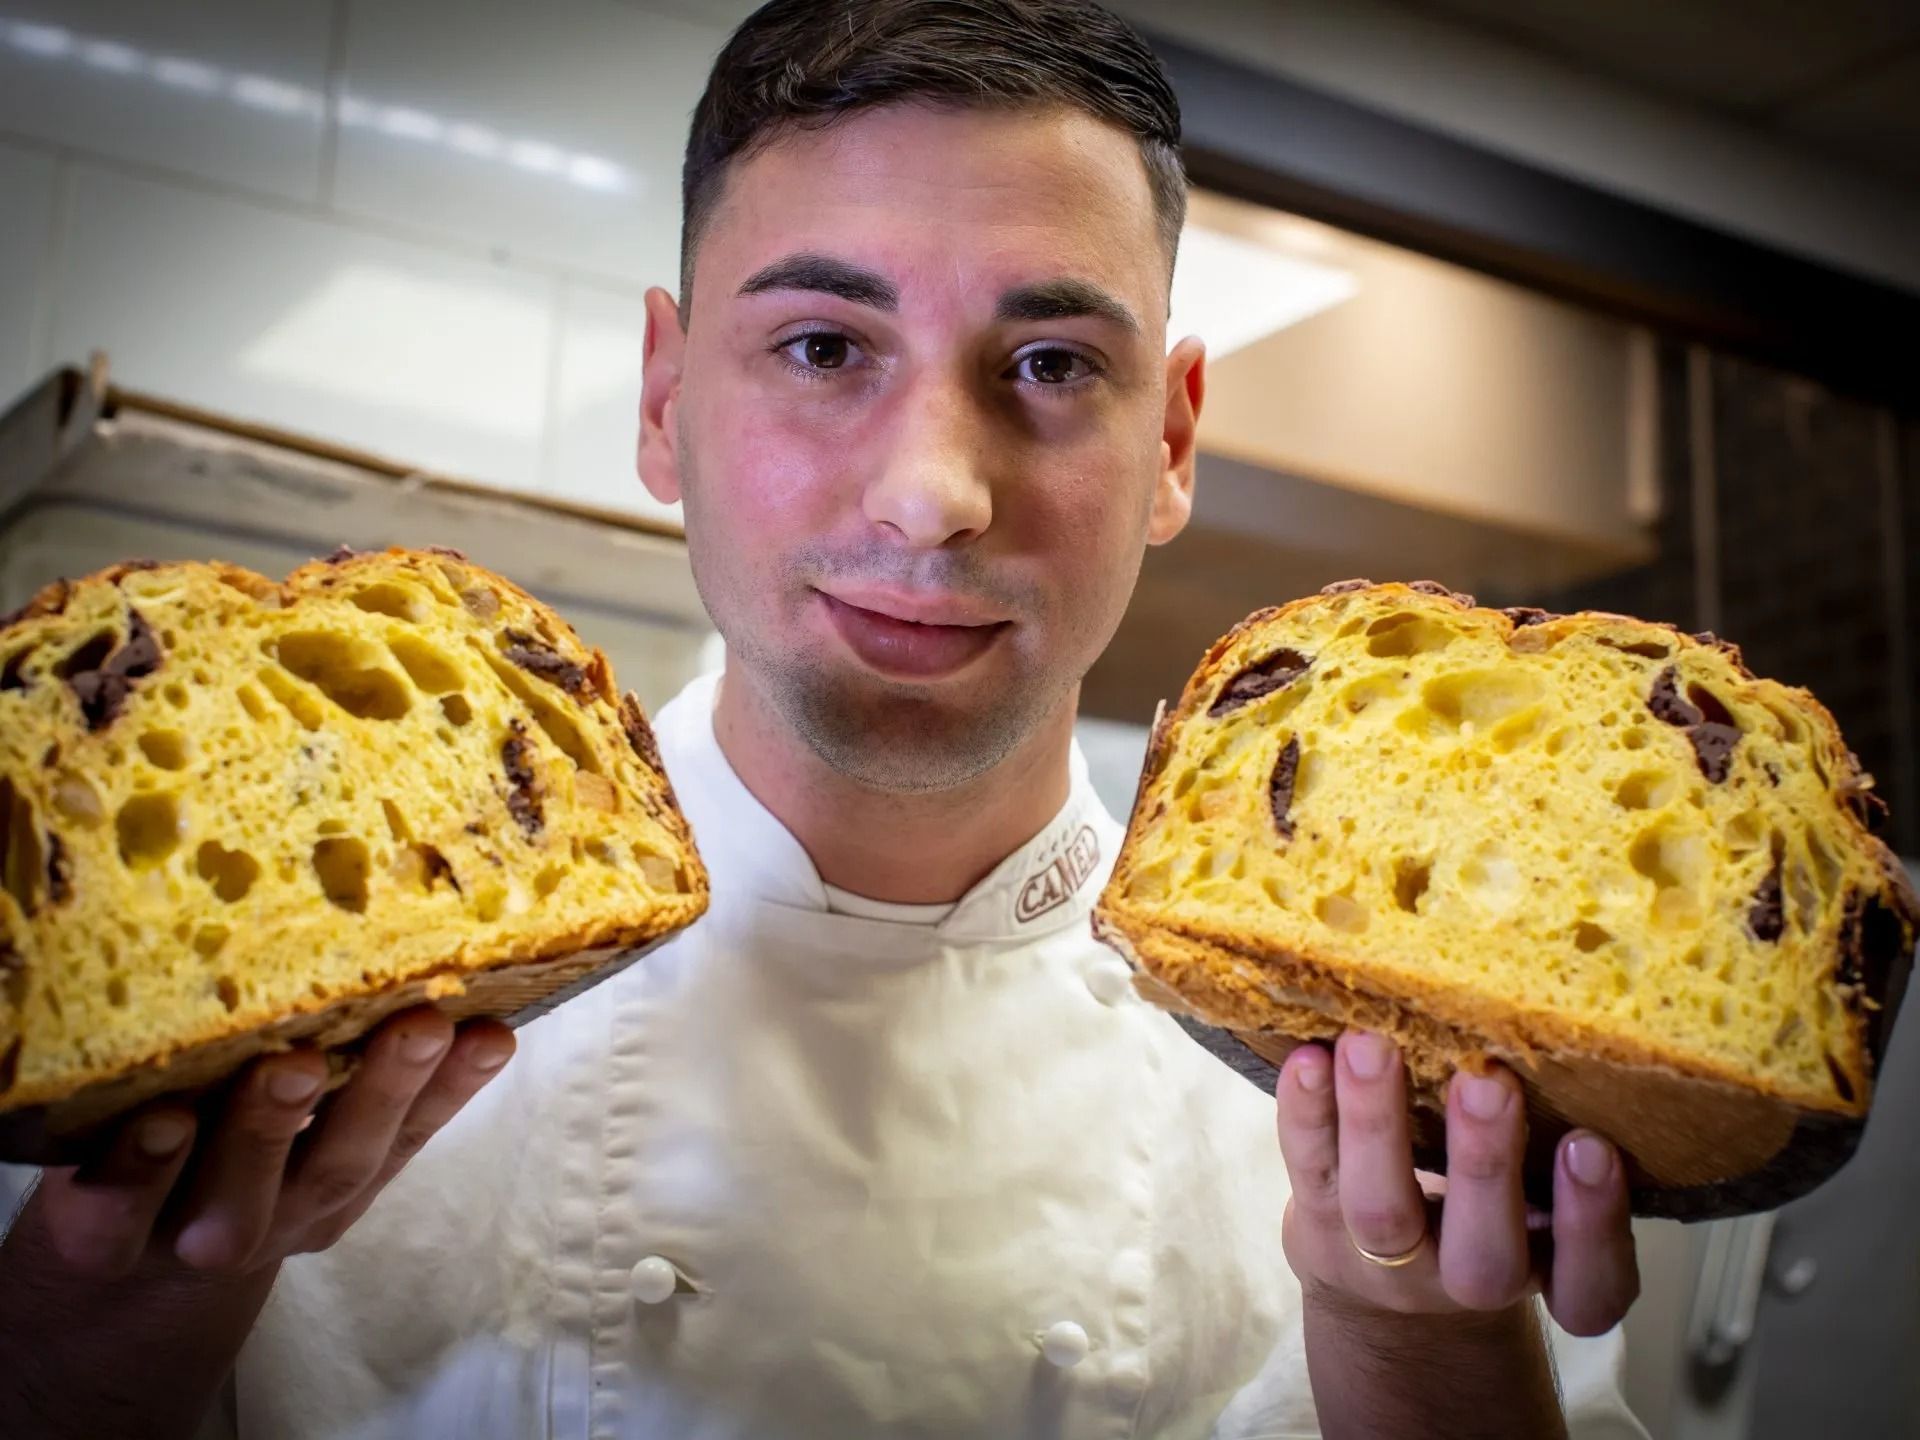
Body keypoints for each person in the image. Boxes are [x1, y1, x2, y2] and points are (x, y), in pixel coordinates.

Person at [0, 2, 1649, 1435]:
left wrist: (1406, 1341)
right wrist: (112, 1312)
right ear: (665, 402)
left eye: (1057, 365)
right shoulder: (276, 1017)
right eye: (820, 343)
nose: (934, 496)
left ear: (1173, 440)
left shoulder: (1389, 1078)